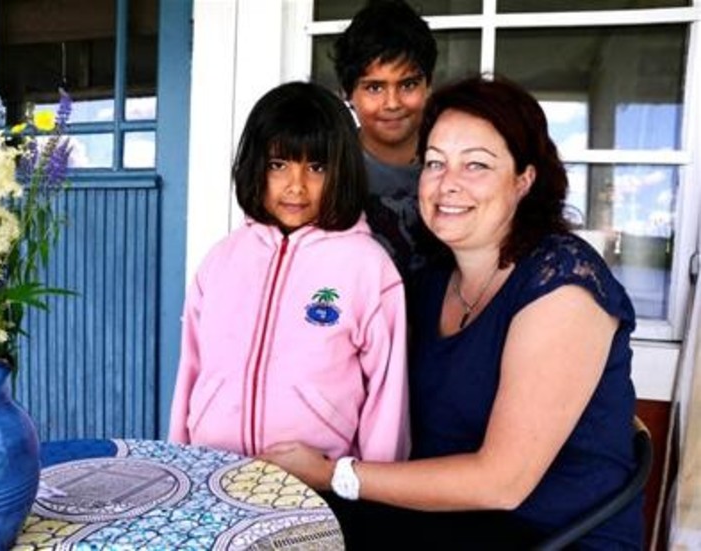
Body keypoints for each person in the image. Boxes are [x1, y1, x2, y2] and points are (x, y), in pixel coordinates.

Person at [261, 75, 644, 550]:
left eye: (477, 165)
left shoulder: (562, 281)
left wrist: (332, 474)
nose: (448, 185)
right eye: (436, 163)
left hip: (556, 537)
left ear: (524, 179)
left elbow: (501, 483)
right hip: (447, 522)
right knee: (278, 529)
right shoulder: (430, 282)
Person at [168, 82, 409, 467]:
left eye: (316, 167)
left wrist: (371, 493)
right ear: (255, 167)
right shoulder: (220, 260)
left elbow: (387, 395)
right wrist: (180, 461)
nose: (296, 186)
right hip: (212, 475)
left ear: (342, 171)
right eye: (278, 165)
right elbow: (191, 370)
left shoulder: (367, 267)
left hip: (316, 488)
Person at [333, 0, 438, 279]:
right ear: (347, 93)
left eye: (408, 84)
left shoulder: (454, 167)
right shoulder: (329, 170)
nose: (392, 103)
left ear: (429, 85)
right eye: (374, 87)